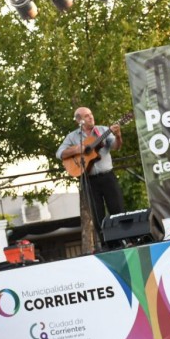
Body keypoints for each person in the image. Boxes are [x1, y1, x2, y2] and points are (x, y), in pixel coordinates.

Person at [57, 107, 126, 249]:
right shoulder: (72, 137)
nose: (91, 117)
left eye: (91, 114)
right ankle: (107, 245)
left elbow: (116, 146)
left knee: (117, 209)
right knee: (97, 214)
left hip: (108, 177)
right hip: (89, 180)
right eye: (87, 116)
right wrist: (77, 149)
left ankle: (123, 241)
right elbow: (60, 153)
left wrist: (118, 136)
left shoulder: (103, 130)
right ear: (79, 121)